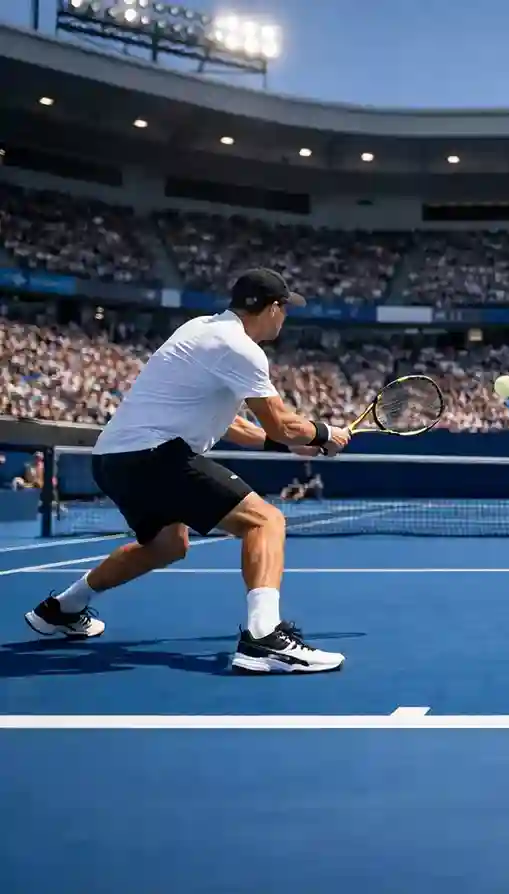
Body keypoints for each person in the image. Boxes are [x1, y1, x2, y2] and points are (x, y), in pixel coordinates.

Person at [22, 269, 353, 675]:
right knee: (265, 521)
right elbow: (281, 422)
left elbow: (235, 424)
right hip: (154, 455)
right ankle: (264, 637)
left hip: (112, 459)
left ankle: (62, 608)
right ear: (271, 308)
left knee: (167, 546)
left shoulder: (200, 330)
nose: (285, 317)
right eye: (284, 308)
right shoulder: (241, 349)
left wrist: (291, 444)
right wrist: (325, 433)